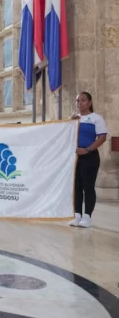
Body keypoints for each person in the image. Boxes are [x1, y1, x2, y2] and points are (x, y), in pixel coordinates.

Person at [70, 92, 108, 228]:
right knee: (77, 187)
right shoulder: (75, 118)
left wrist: (87, 150)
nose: (79, 103)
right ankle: (77, 215)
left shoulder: (96, 118)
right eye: (77, 101)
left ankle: (87, 217)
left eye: (83, 100)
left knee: (88, 187)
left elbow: (102, 137)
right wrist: (70, 122)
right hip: (75, 157)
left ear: (90, 103)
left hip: (89, 157)